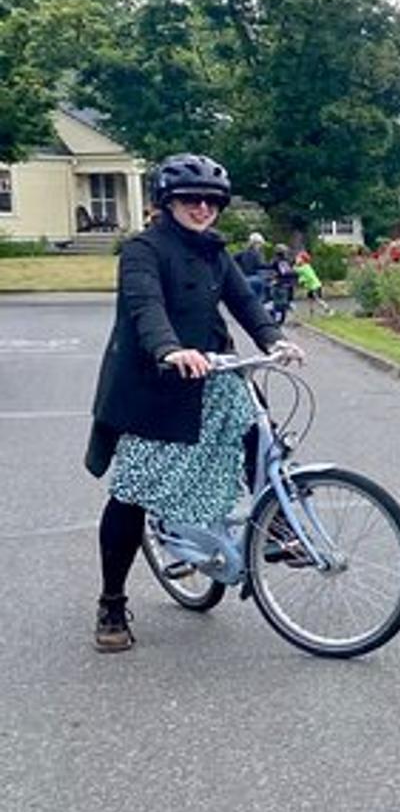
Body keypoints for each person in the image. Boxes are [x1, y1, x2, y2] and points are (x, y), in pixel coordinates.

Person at [84, 155, 300, 652]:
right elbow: (146, 306)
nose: (202, 208)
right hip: (153, 382)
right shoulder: (142, 250)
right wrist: (169, 349)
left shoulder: (213, 251)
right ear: (167, 202)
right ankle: (111, 602)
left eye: (211, 201)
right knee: (133, 490)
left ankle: (275, 524)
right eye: (190, 200)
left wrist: (274, 340)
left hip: (211, 371)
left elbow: (245, 302)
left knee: (259, 435)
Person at [293, 251, 330, 315]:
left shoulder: (305, 267)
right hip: (310, 287)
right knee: (310, 300)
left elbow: (308, 276)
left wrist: (301, 280)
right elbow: (298, 271)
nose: (296, 259)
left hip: (315, 286)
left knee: (318, 299)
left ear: (303, 260)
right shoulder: (303, 267)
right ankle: (311, 312)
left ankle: (327, 309)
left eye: (298, 258)